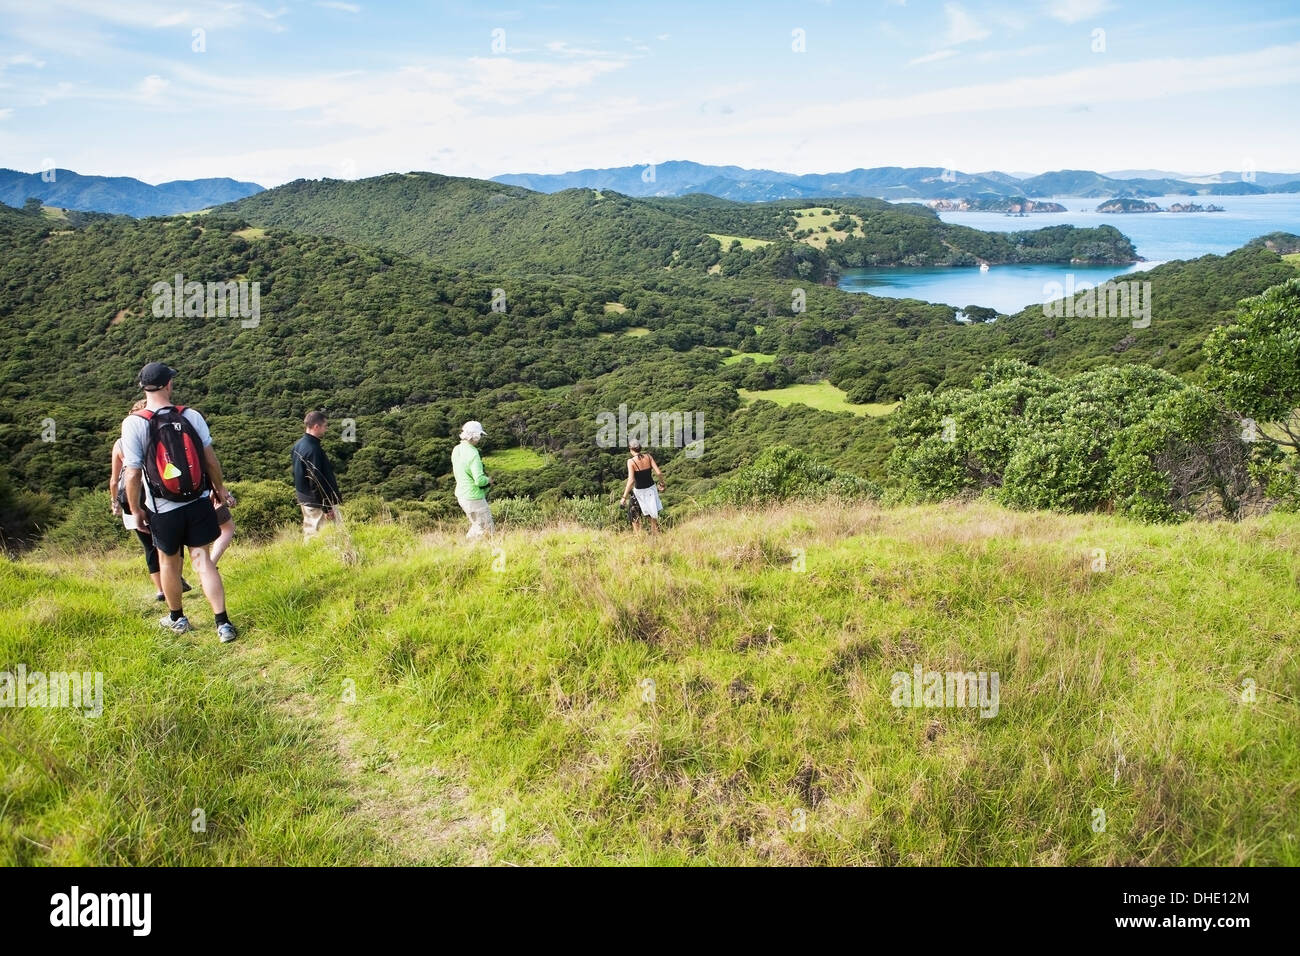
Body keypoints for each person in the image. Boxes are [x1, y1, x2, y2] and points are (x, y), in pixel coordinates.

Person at [120, 363, 238, 643]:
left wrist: (136, 510)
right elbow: (210, 460)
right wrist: (219, 489)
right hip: (197, 502)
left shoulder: (134, 423)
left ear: (143, 387)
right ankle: (222, 623)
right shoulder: (191, 415)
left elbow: (134, 472)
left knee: (169, 563)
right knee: (203, 560)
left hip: (162, 508)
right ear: (168, 385)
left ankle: (178, 618)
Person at [109, 399, 192, 601]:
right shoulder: (162, 435)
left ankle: (161, 590)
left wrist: (115, 503)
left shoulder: (120, 443)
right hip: (160, 498)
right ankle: (175, 579)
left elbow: (114, 479)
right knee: (173, 544)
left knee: (149, 547)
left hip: (132, 499)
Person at [292, 410, 342, 542]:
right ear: (316, 426)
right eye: (325, 426)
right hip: (316, 502)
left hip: (305, 497)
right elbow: (316, 481)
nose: (326, 429)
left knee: (311, 531)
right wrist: (327, 507)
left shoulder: (298, 445)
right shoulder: (313, 450)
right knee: (319, 535)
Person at [451, 420, 494, 539]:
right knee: (487, 529)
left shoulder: (457, 449)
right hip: (474, 497)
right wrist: (488, 480)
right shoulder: (473, 453)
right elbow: (479, 480)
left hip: (461, 495)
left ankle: (465, 549)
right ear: (475, 436)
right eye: (479, 435)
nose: (480, 438)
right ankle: (480, 553)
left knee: (476, 526)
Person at [619, 440, 665, 534]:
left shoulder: (631, 461)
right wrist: (662, 484)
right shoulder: (648, 456)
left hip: (639, 492)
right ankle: (657, 537)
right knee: (652, 516)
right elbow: (659, 473)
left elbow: (631, 480)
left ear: (631, 449)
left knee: (634, 514)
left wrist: (624, 497)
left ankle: (638, 536)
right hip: (651, 489)